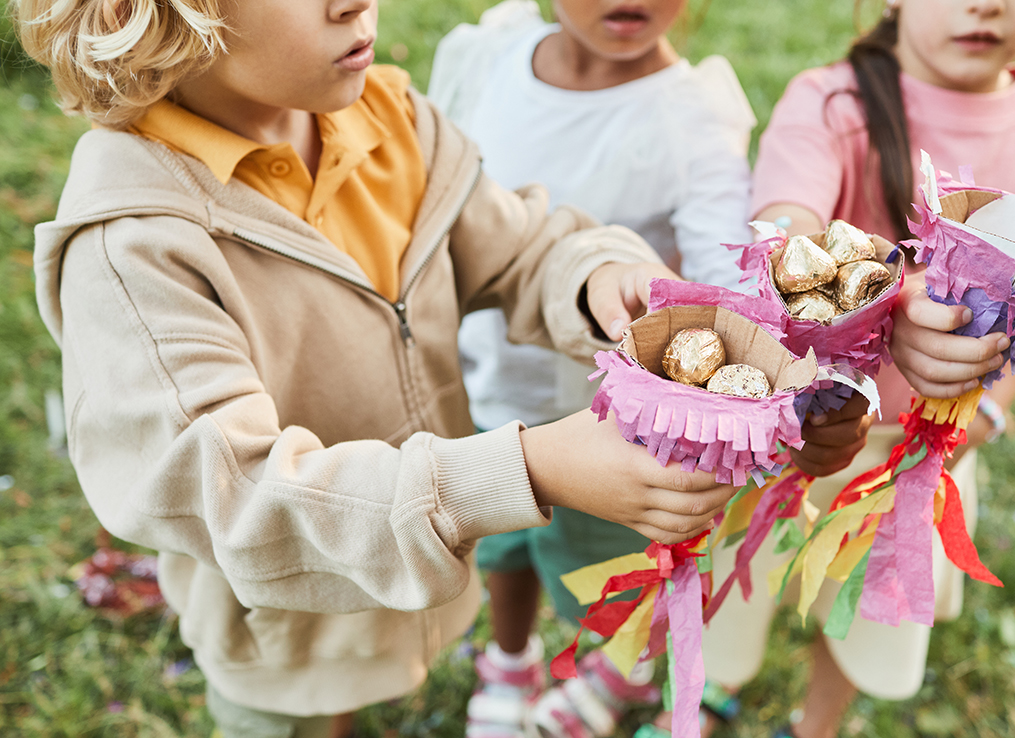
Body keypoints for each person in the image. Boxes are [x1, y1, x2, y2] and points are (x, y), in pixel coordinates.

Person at [12, 0, 742, 735]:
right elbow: (236, 491)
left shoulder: (385, 119)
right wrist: (528, 470)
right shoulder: (135, 247)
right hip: (284, 632)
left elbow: (514, 248)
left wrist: (592, 278)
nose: (356, 3)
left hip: (411, 590)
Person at [695, 0, 1015, 736]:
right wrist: (886, 302)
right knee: (731, 592)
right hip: (798, 432)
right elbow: (788, 219)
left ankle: (816, 723)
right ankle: (700, 700)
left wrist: (991, 403)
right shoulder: (830, 104)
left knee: (858, 616)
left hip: (914, 453)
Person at [425, 1, 771, 736]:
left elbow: (723, 271)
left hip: (609, 427)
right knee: (503, 539)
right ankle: (510, 658)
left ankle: (617, 671)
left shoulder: (691, 115)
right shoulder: (488, 57)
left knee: (612, 576)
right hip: (485, 379)